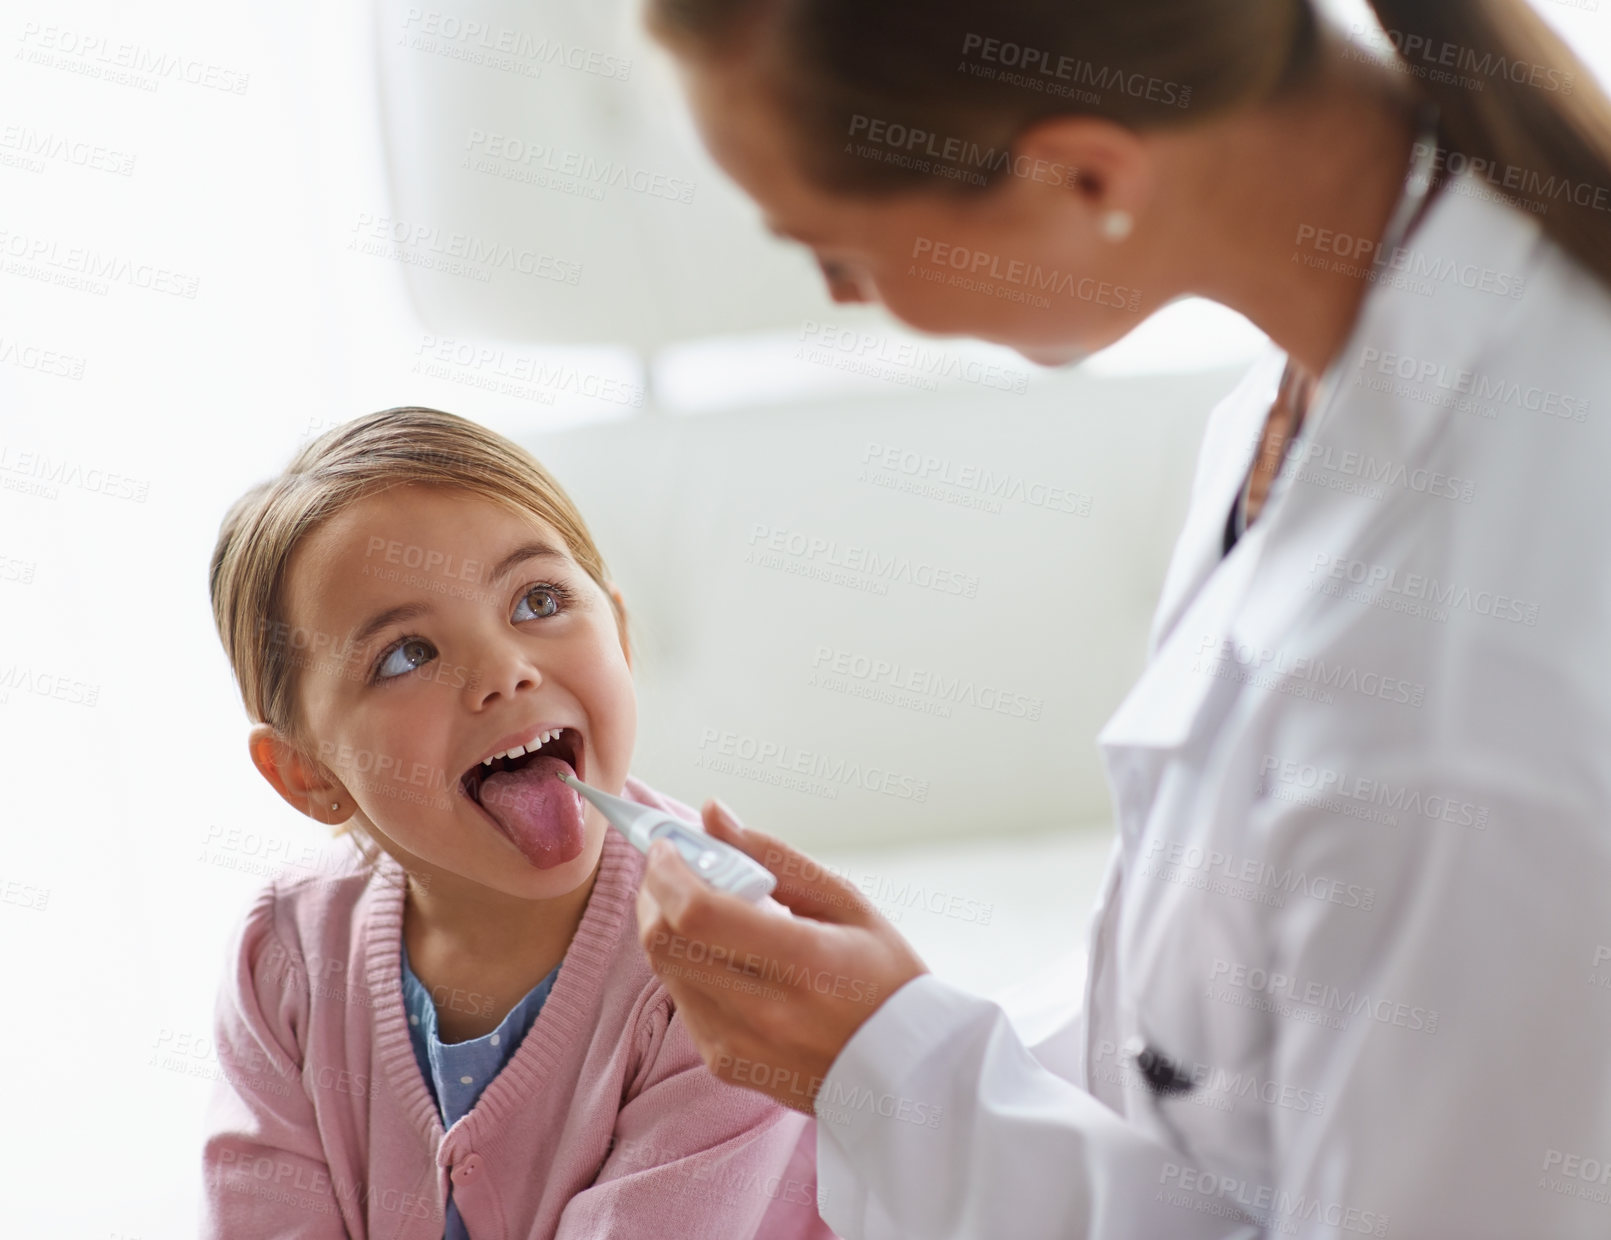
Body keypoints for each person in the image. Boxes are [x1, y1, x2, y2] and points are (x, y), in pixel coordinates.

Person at [631, 1, 1611, 1236]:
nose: (842, 296)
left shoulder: (1467, 699)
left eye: (838, 246)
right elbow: (1219, 1064)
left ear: (1084, 172)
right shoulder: (1322, 378)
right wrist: (906, 1031)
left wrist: (888, 1078)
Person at [201, 408, 835, 1239]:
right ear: (309, 775)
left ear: (620, 633)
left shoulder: (724, 967)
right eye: (406, 654)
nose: (504, 671)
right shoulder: (283, 958)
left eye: (538, 600)